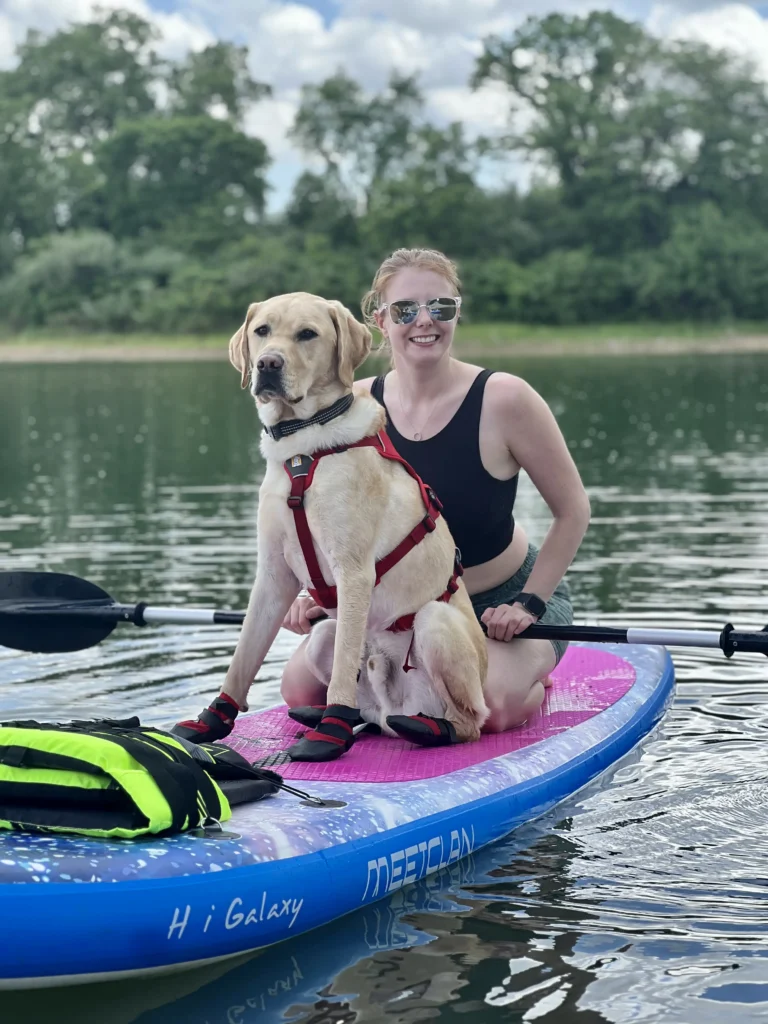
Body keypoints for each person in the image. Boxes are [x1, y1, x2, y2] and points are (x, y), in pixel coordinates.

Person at [280, 247, 591, 731]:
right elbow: (327, 516)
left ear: (457, 313)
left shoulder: (506, 398)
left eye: (440, 307)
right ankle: (396, 702)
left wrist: (529, 603)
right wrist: (315, 589)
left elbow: (573, 511)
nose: (424, 321)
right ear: (382, 320)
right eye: (406, 309)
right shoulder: (354, 406)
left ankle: (531, 677)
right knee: (299, 690)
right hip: (400, 610)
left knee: (490, 707)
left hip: (500, 605)